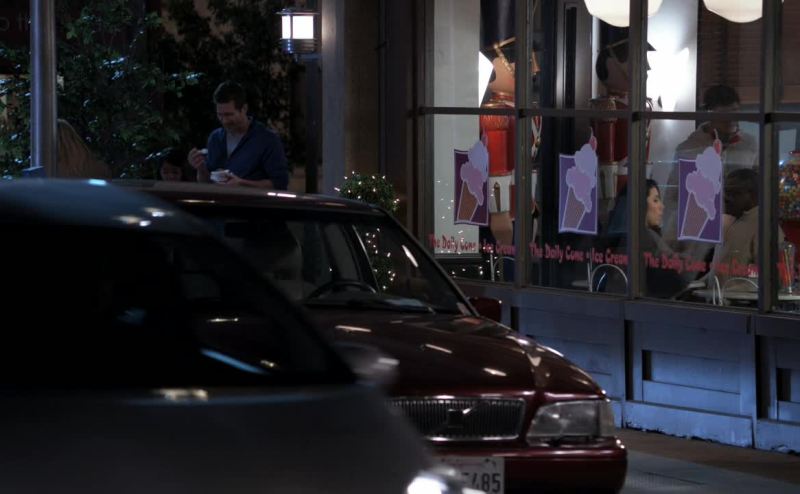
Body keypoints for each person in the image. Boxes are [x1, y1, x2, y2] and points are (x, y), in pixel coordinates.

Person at [187, 81, 289, 190]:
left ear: (244, 109)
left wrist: (242, 184)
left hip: (250, 201)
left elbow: (280, 184)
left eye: (229, 115)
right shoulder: (215, 138)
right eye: (220, 115)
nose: (224, 121)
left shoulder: (267, 140)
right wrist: (200, 167)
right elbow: (206, 183)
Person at [706, 168, 784, 293]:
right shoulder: (731, 221)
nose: (726, 198)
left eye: (734, 193)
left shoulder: (764, 226)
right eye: (725, 192)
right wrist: (702, 282)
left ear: (753, 195)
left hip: (740, 303)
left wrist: (728, 291)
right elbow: (722, 267)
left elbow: (768, 277)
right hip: (716, 300)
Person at [604, 179, 686, 298]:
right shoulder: (645, 236)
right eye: (655, 200)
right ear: (640, 204)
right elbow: (676, 273)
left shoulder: (620, 234)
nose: (662, 206)